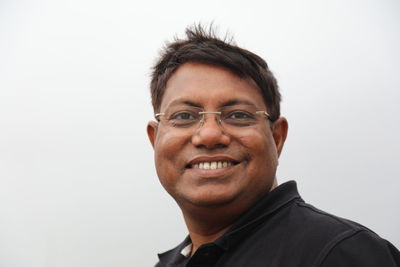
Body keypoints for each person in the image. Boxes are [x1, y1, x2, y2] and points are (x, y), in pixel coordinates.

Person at [146, 24, 400, 267]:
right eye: (184, 116)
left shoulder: (340, 254)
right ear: (155, 139)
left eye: (238, 115)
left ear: (277, 137)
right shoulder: (170, 263)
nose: (210, 135)